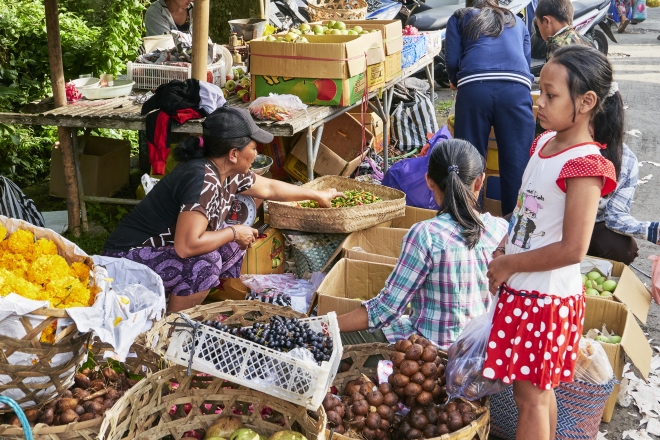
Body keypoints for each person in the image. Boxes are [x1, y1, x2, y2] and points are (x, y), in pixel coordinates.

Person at [484, 45, 621, 440]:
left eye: (551, 95)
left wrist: (509, 264)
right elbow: (527, 211)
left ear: (586, 102)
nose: (538, 103)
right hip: (524, 291)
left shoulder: (585, 165)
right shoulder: (543, 145)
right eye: (539, 92)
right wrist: (506, 244)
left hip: (546, 300)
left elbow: (573, 249)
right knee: (538, 396)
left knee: (532, 401)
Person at [103, 107, 342, 313]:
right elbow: (186, 247)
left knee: (228, 246)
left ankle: (180, 299)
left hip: (158, 251)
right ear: (234, 154)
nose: (257, 153)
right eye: (254, 147)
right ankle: (171, 327)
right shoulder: (202, 179)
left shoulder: (227, 172)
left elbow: (267, 187)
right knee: (207, 261)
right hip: (125, 261)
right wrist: (234, 232)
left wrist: (316, 194)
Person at [337, 139, 509, 349]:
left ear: (429, 181)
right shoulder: (502, 230)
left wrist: (326, 326)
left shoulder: (425, 234)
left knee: (335, 340)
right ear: (480, 182)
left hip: (430, 357)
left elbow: (386, 310)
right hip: (482, 350)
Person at [445, 0, 536, 216]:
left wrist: (456, 79)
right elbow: (526, 61)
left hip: (474, 89)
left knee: (468, 161)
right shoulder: (517, 20)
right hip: (516, 89)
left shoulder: (460, 16)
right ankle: (514, 227)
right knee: (517, 163)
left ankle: (469, 221)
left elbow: (451, 62)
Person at [588, 143, 660, 264]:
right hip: (554, 218)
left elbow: (615, 213)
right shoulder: (556, 144)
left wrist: (654, 231)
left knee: (623, 249)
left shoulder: (626, 159)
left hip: (592, 221)